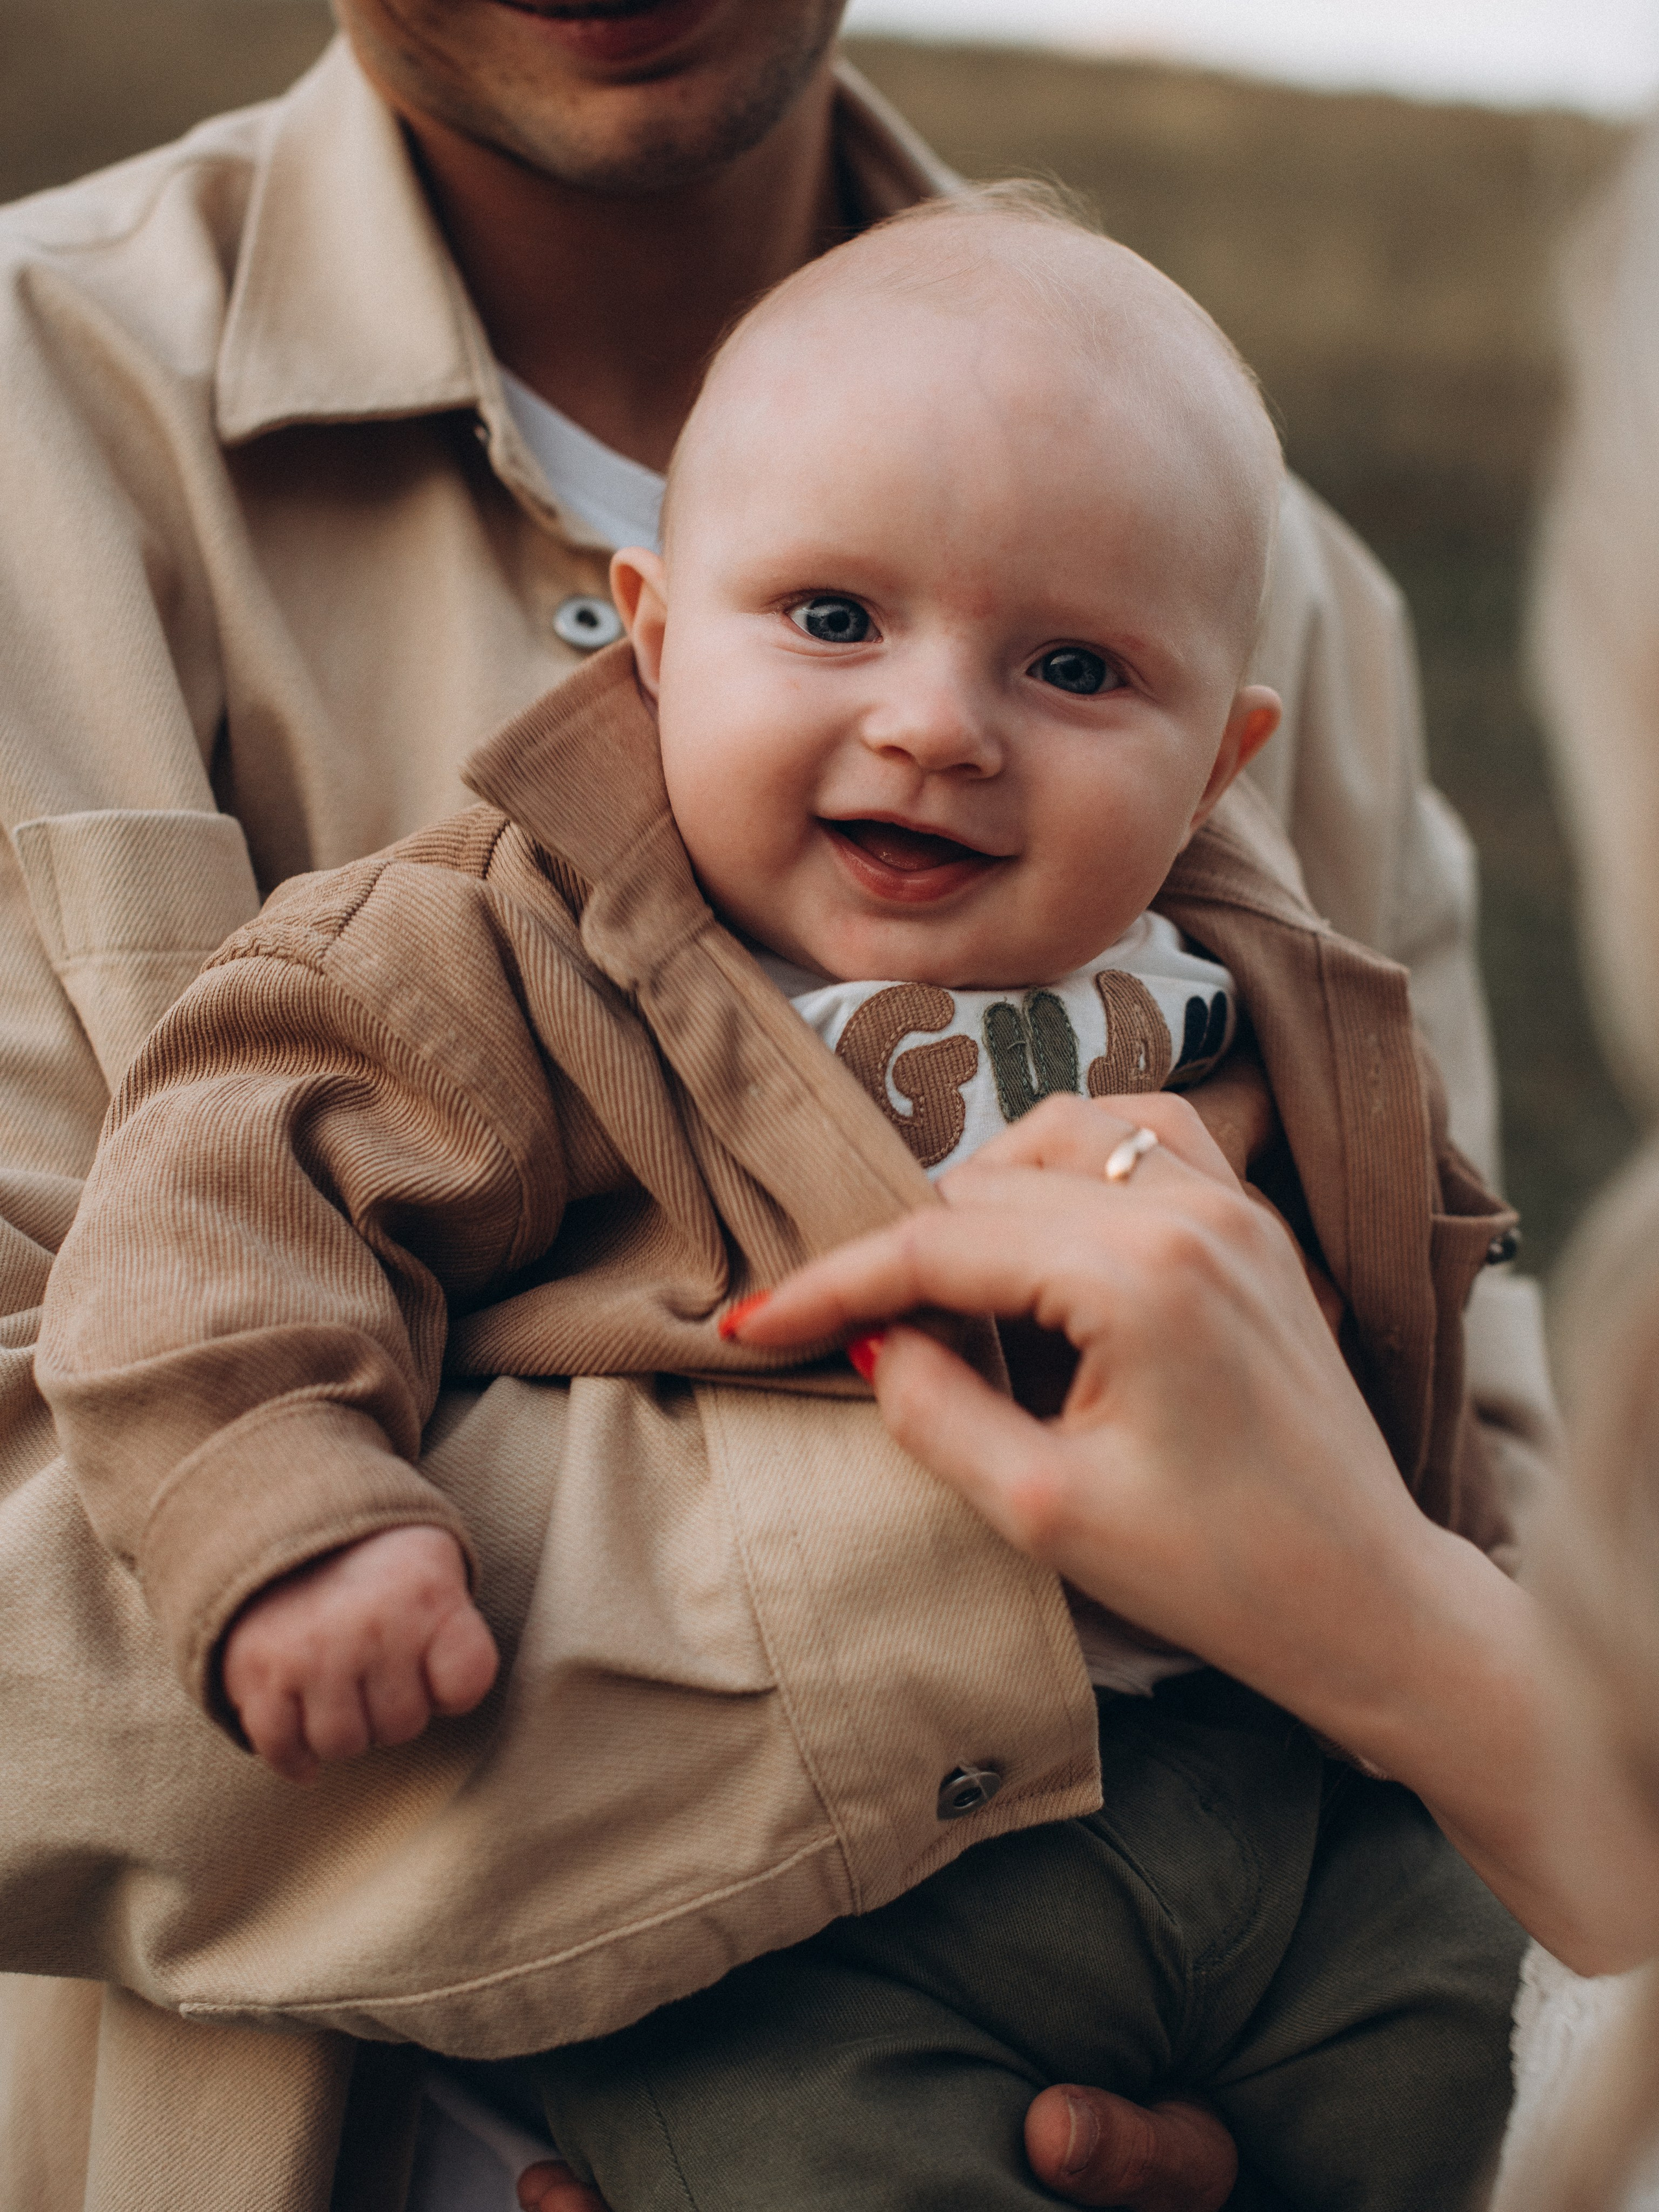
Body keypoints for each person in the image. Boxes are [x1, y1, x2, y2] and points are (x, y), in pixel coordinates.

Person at [0, 2, 1555, 2204]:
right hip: (723, 2010)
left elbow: (1492, 1422)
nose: (934, 731)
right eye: (827, 618)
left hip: (1291, 1866)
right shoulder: (492, 912)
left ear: (1225, 755)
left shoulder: (1268, 574)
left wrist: (1440, 1630)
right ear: (641, 642)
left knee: (1487, 2074)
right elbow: (226, 1232)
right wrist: (1144, 1540)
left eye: (1076, 673)